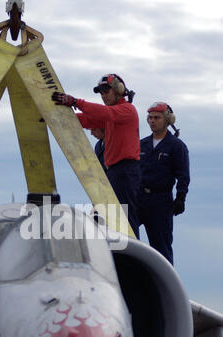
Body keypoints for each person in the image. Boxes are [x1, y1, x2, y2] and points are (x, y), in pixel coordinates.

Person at [52, 74, 141, 238]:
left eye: (106, 91)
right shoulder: (111, 115)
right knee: (114, 219)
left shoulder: (127, 110)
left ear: (118, 90)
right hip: (116, 173)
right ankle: (123, 256)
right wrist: (54, 116)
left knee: (126, 219)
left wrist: (75, 102)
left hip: (125, 172)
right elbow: (86, 119)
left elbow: (101, 113)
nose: (103, 95)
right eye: (101, 92)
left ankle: (133, 256)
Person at [138, 102, 190, 265]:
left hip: (160, 203)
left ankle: (164, 287)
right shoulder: (141, 144)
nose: (153, 121)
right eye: (150, 118)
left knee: (161, 250)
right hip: (139, 199)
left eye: (157, 118)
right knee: (125, 237)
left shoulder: (176, 146)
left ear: (168, 120)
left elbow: (183, 176)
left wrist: (180, 198)